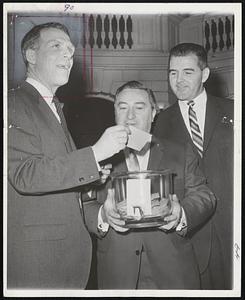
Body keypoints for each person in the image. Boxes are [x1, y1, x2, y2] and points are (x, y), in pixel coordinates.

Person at [7, 22, 130, 289]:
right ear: (31, 55)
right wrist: (95, 153)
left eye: (71, 50)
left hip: (63, 259)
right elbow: (24, 174)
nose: (68, 55)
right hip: (37, 263)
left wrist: (90, 178)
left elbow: (54, 176)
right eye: (57, 47)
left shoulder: (53, 108)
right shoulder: (14, 102)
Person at [84, 81, 216, 289]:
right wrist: (102, 215)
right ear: (115, 112)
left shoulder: (180, 151)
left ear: (154, 113)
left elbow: (204, 195)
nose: (130, 116)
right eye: (122, 107)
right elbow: (82, 204)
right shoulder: (96, 156)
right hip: (117, 275)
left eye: (139, 107)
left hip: (174, 272)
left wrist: (181, 213)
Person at [153, 43, 234, 289]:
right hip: (189, 235)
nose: (178, 80)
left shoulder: (233, 111)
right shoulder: (160, 123)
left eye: (188, 72)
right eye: (172, 72)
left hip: (233, 230)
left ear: (205, 74)